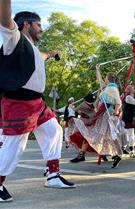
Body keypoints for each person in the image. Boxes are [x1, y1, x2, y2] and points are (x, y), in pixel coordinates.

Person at [0, 1, 75, 202]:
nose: (41, 29)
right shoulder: (14, 39)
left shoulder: (31, 49)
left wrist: (51, 54)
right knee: (15, 146)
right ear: (26, 24)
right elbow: (6, 19)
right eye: (39, 25)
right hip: (19, 102)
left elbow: (41, 57)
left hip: (37, 103)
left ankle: (52, 176)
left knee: (54, 130)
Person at [70, 72, 123, 168]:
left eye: (105, 78)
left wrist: (115, 112)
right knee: (100, 135)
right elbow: (100, 81)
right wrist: (98, 70)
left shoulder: (112, 89)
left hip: (106, 115)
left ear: (108, 79)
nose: (104, 79)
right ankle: (115, 156)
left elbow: (118, 103)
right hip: (102, 114)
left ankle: (82, 154)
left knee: (94, 133)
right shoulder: (108, 87)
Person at [69, 93, 99, 163]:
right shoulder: (95, 104)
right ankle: (82, 155)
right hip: (92, 122)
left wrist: (71, 107)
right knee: (86, 138)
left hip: (83, 122)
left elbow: (75, 110)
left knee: (82, 137)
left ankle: (81, 155)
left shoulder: (83, 104)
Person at [122, 85, 135, 158]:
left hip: (132, 118)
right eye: (133, 88)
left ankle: (128, 149)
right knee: (130, 134)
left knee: (130, 134)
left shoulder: (132, 97)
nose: (134, 89)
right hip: (128, 118)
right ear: (130, 90)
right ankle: (131, 151)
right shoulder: (128, 97)